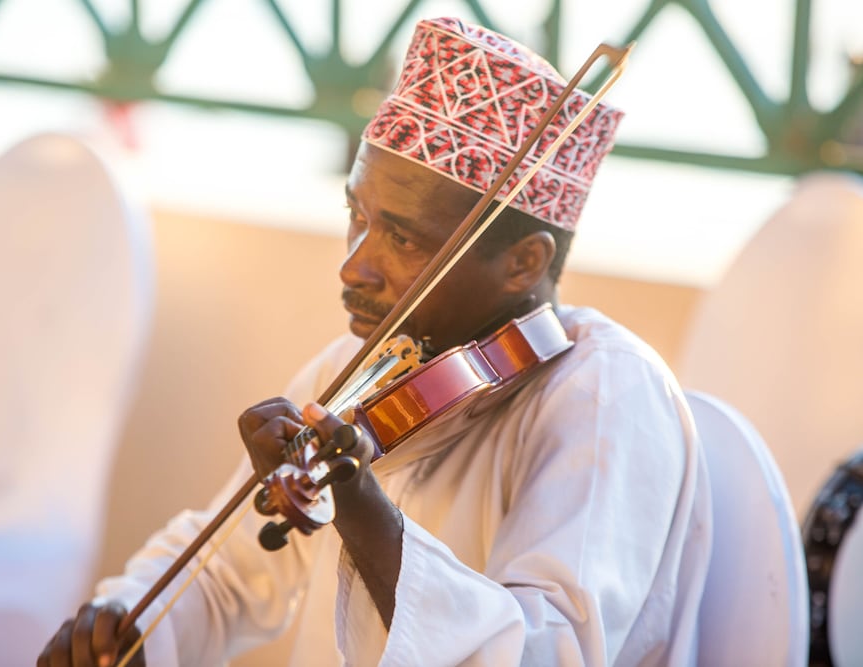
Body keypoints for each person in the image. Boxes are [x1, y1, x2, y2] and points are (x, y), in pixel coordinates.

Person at [38, 16, 711, 667]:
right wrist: (129, 625)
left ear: (524, 263)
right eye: (355, 217)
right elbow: (228, 574)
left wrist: (364, 512)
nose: (354, 266)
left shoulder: (606, 393)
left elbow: (547, 652)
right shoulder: (366, 367)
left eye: (403, 237)